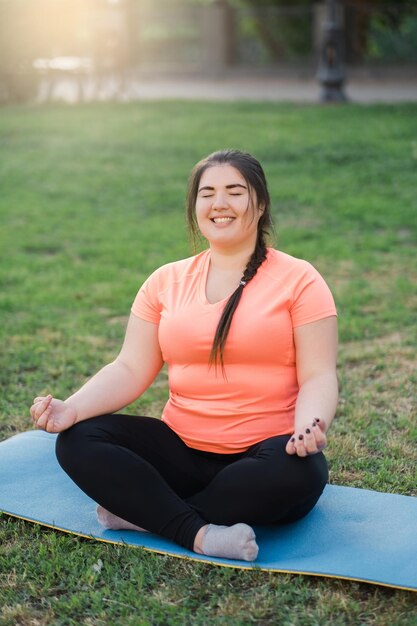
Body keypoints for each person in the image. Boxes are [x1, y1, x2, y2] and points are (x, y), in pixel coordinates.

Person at [30, 149, 338, 562]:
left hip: (263, 454)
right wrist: (72, 408)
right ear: (195, 207)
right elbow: (130, 367)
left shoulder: (300, 280)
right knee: (78, 440)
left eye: (234, 192)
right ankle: (201, 532)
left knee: (303, 472)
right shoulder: (165, 281)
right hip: (179, 451)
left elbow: (319, 374)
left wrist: (309, 427)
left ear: (260, 203)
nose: (219, 204)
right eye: (206, 193)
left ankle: (148, 514)